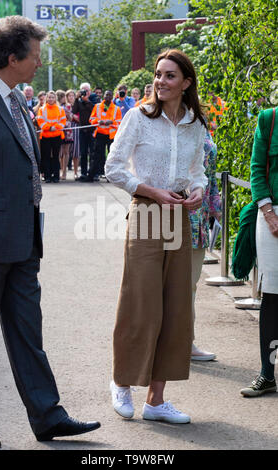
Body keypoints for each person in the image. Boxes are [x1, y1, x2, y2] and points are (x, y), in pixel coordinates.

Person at [0, 15, 100, 449]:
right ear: (13, 58)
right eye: (35, 57)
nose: (38, 64)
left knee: (29, 332)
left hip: (25, 241)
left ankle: (48, 416)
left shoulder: (15, 99)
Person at [105, 49, 207, 423]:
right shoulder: (138, 117)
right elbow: (113, 168)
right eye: (158, 75)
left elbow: (198, 171)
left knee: (175, 306)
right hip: (148, 212)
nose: (161, 82)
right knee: (141, 302)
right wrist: (150, 191)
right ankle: (121, 382)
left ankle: (156, 399)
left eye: (169, 76)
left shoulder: (196, 123)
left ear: (186, 83)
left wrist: (196, 190)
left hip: (179, 213)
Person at [241, 107, 278, 397]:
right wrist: (268, 212)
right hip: (272, 216)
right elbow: (257, 168)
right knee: (273, 295)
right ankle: (267, 373)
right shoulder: (269, 118)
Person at [189, 130, 221, 361]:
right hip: (168, 214)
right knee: (160, 285)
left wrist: (216, 208)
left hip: (198, 219)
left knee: (189, 285)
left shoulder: (199, 123)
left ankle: (185, 341)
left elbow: (210, 177)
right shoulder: (159, 119)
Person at [79, 90, 121, 182]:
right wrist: (98, 121)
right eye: (106, 95)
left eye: (110, 95)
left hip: (111, 135)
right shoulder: (97, 107)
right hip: (99, 134)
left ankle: (111, 177)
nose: (108, 97)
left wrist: (111, 122)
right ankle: (91, 176)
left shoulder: (116, 109)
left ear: (112, 97)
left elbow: (119, 122)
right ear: (104, 96)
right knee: (96, 156)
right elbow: (91, 119)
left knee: (112, 156)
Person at [37, 91, 66, 183]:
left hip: (57, 136)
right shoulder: (42, 109)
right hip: (45, 136)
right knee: (46, 156)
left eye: (52, 97)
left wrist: (55, 127)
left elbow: (63, 121)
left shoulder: (60, 109)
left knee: (56, 156)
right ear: (46, 98)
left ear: (55, 99)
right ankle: (47, 176)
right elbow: (40, 121)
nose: (50, 99)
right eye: (49, 97)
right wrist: (49, 127)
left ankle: (56, 176)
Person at [72, 84, 94, 181]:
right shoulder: (79, 101)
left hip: (92, 130)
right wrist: (77, 99)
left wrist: (87, 101)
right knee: (83, 152)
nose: (85, 92)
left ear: (90, 91)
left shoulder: (94, 98)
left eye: (87, 90)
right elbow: (74, 110)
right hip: (82, 130)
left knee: (92, 152)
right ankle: (83, 173)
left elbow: (94, 109)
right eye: (83, 90)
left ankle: (93, 173)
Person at [66, 89, 80, 179]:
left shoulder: (77, 106)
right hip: (66, 128)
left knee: (76, 150)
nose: (71, 97)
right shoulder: (64, 107)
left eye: (72, 96)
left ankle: (75, 172)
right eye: (69, 96)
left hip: (75, 127)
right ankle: (63, 172)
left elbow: (79, 119)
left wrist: (71, 114)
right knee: (64, 151)